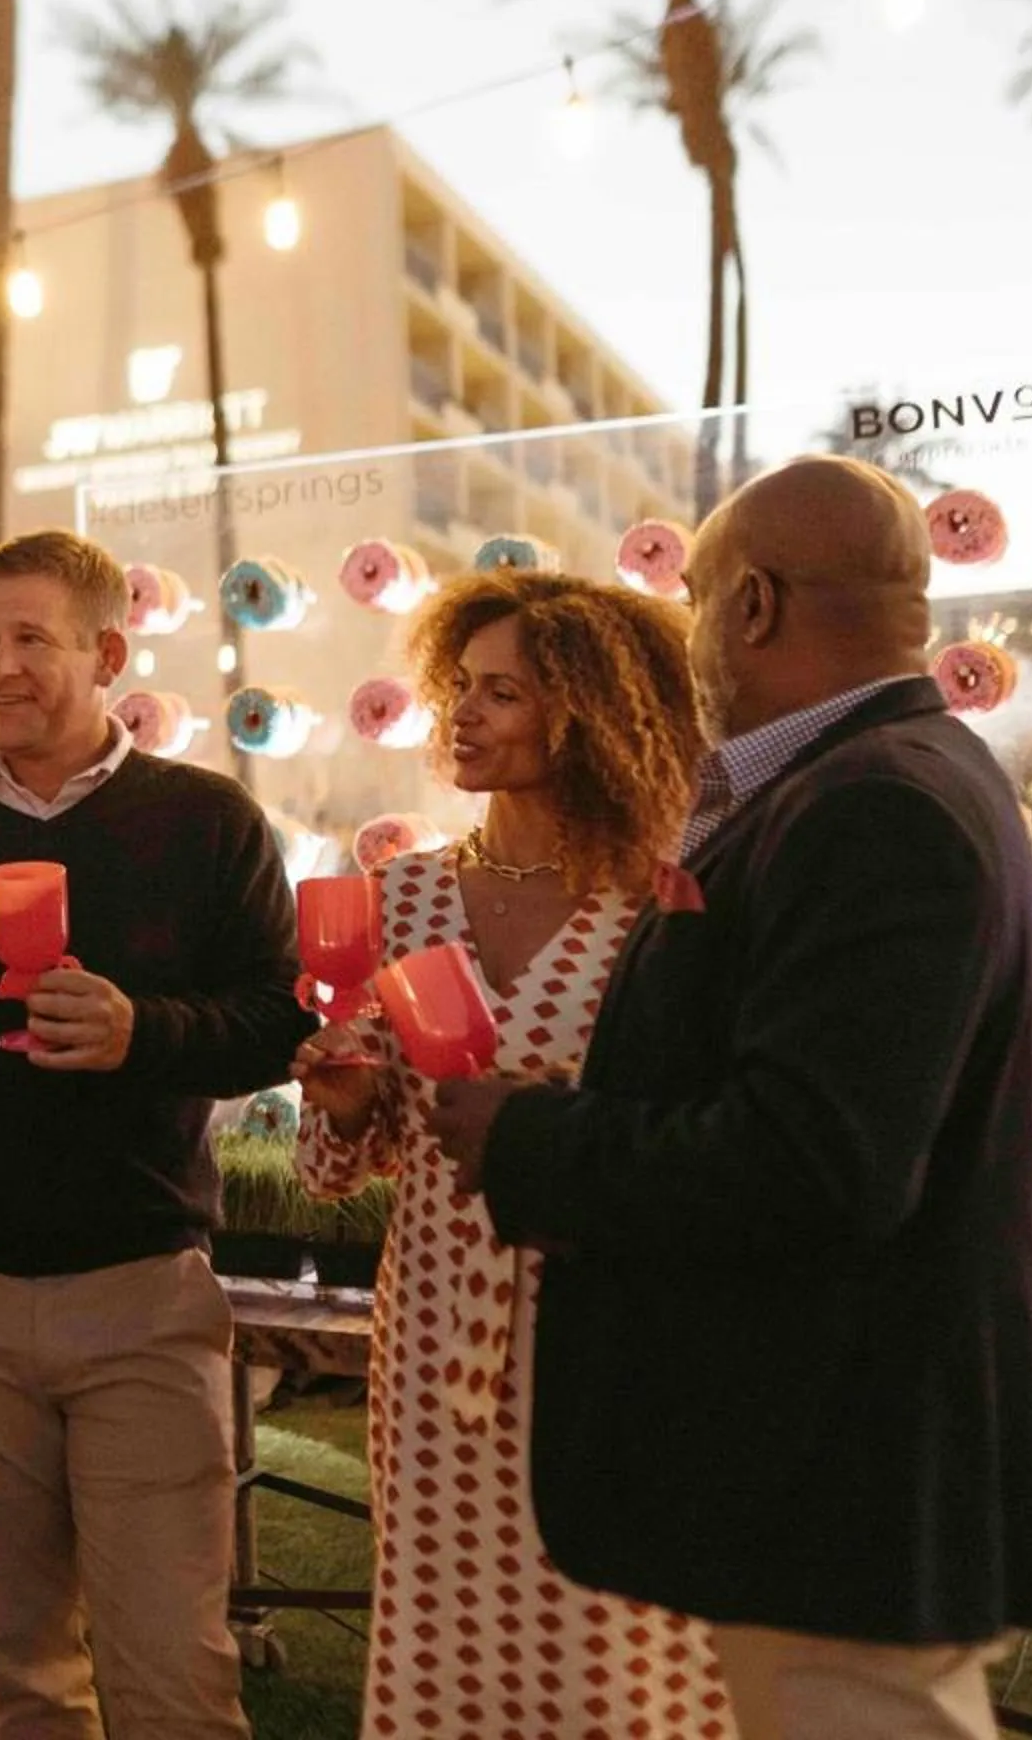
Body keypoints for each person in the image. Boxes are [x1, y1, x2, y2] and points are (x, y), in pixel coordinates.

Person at [428, 456, 1032, 1740]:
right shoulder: (875, 777)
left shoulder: (873, 803)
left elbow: (811, 1162)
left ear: (754, 606)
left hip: (841, 1475)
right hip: (824, 1471)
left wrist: (531, 1136)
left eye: (696, 602)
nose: (688, 641)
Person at [0, 529, 317, 1740]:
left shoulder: (207, 822)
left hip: (140, 1294)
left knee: (174, 1675)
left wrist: (140, 1027)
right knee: (23, 1677)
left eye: (29, 636)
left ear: (107, 651)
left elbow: (271, 1020)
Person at [289, 568, 730, 1739]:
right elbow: (355, 1160)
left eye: (504, 693)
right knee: (441, 1637)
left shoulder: (664, 905)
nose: (463, 717)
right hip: (434, 1318)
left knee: (615, 1647)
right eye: (458, 688)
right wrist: (339, 1104)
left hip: (607, 1313)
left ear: (591, 710)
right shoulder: (408, 894)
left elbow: (701, 1125)